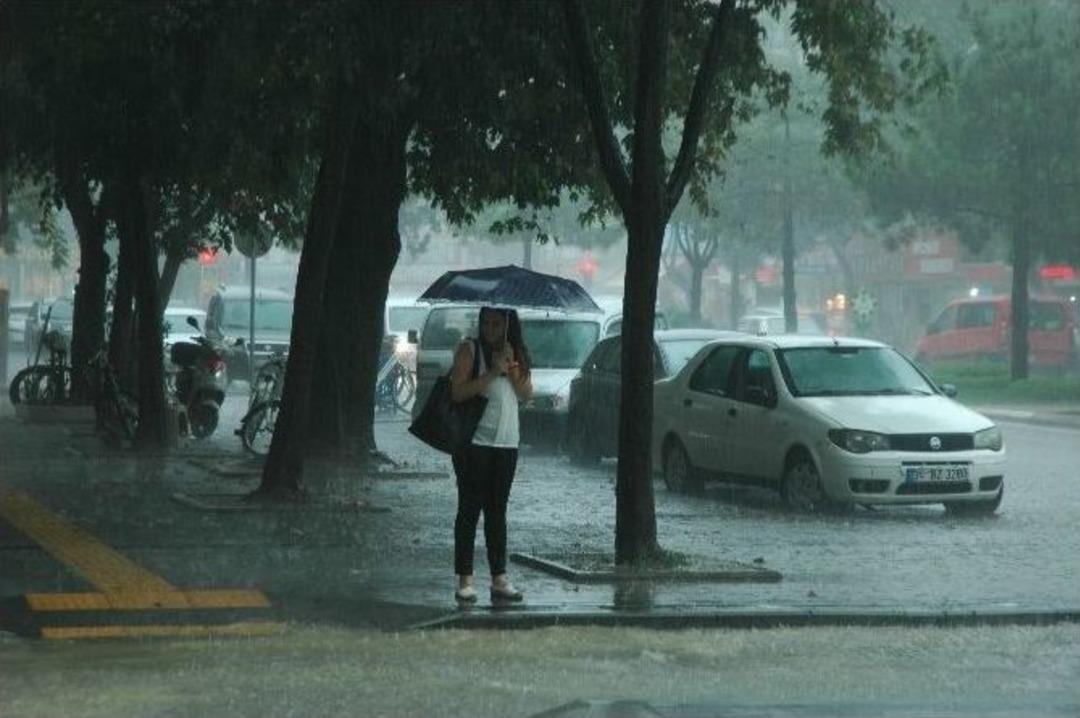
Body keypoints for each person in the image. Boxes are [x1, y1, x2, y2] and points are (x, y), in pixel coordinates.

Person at [448, 306, 533, 604]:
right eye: (486, 323)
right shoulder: (469, 350)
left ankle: (499, 578)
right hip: (475, 443)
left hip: (507, 444)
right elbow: (457, 393)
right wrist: (492, 372)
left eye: (497, 323)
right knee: (469, 509)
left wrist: (510, 367)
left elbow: (526, 394)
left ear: (508, 324)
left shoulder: (515, 352)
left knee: (497, 512)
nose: (491, 329)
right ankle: (465, 579)